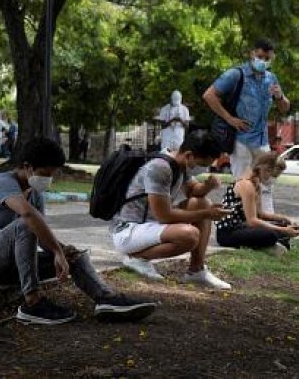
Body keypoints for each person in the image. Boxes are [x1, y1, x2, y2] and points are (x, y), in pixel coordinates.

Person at [0, 137, 156, 325]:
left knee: (74, 255)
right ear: (28, 166)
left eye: (51, 175)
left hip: (10, 264)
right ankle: (33, 303)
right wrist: (56, 251)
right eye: (45, 174)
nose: (48, 180)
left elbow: (38, 234)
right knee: (26, 223)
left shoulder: (34, 193)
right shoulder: (3, 182)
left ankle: (107, 299)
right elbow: (29, 219)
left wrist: (63, 252)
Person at [111, 130, 232, 288]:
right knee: (190, 236)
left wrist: (208, 186)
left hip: (151, 226)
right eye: (202, 165)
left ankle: (196, 270)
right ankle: (136, 258)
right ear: (189, 155)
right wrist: (208, 214)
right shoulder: (160, 168)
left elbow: (193, 191)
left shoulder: (179, 164)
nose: (203, 169)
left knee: (202, 203)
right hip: (129, 229)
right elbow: (164, 216)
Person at [203, 38, 290, 215]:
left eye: (267, 59)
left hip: (262, 139)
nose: (263, 62)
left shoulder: (271, 78)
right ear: (252, 54)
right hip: (240, 138)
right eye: (260, 57)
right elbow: (209, 95)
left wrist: (280, 97)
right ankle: (240, 222)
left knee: (266, 183)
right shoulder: (236, 74)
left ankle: (268, 223)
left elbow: (285, 108)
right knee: (242, 182)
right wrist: (229, 118)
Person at [216, 151, 298, 256]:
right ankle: (274, 244)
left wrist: (283, 219)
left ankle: (278, 241)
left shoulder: (256, 185)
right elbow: (252, 221)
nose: (271, 179)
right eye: (272, 175)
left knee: (283, 226)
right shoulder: (247, 185)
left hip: (243, 227)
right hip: (229, 232)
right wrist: (282, 230)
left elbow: (260, 214)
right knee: (271, 235)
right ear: (266, 170)